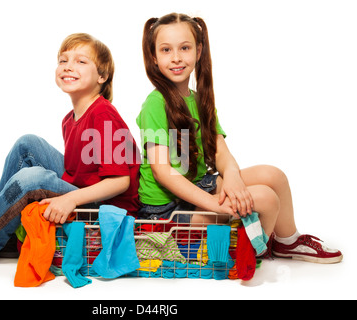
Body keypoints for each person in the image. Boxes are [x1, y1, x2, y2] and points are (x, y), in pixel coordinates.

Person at [136, 12, 342, 263]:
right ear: (154, 57)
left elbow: (220, 151)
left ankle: (288, 241)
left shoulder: (197, 98)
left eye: (185, 48)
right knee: (266, 198)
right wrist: (215, 205)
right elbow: (162, 171)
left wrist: (232, 177)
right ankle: (252, 248)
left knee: (272, 176)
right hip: (166, 212)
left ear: (198, 51)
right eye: (166, 50)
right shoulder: (155, 104)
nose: (176, 57)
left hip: (197, 185)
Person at [0, 33, 140, 264]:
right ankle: (0, 233)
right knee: (27, 144)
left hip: (107, 208)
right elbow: (81, 170)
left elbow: (120, 182)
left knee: (32, 178)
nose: (68, 67)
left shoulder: (104, 115)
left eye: (81, 61)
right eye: (63, 60)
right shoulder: (70, 119)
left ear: (102, 76)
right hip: (85, 189)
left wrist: (71, 200)